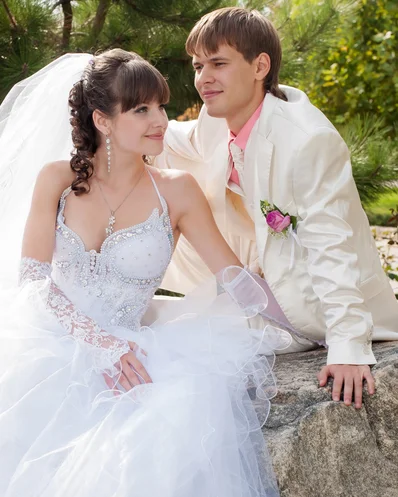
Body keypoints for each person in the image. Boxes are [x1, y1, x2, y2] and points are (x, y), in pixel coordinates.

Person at [0, 49, 297, 497]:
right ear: (102, 120)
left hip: (139, 349)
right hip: (51, 339)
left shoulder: (176, 190)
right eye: (139, 109)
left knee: (147, 458)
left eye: (160, 105)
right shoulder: (57, 180)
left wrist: (311, 332)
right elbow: (34, 282)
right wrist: (96, 341)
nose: (160, 120)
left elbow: (232, 275)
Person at [156, 7, 398, 410]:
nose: (202, 78)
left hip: (308, 305)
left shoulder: (307, 141)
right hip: (260, 284)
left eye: (218, 63)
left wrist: (348, 347)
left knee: (173, 342)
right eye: (198, 66)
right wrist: (116, 122)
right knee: (144, 319)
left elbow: (330, 245)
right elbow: (172, 138)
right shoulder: (219, 118)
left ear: (260, 66)